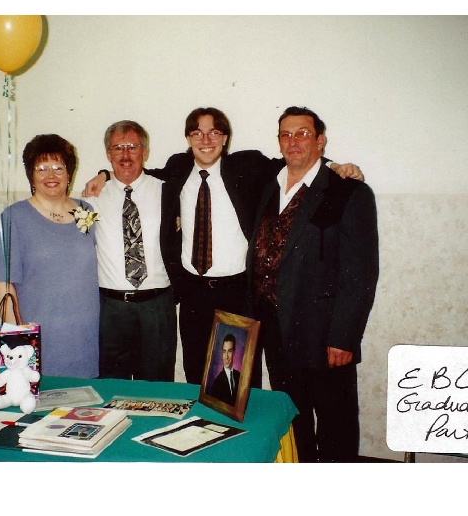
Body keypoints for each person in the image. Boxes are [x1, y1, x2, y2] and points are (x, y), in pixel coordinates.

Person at [84, 108, 364, 385]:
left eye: (214, 133)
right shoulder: (177, 169)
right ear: (188, 139)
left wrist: (333, 166)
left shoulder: (246, 166)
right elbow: (133, 170)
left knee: (236, 382)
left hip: (236, 293)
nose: (206, 140)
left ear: (225, 138)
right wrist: (104, 175)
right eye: (197, 133)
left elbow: (294, 161)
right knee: (197, 376)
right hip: (193, 294)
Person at [249, 107, 379, 463]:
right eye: (286, 134)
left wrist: (344, 338)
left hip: (324, 336)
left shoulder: (347, 191)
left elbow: (361, 273)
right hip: (276, 330)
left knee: (336, 424)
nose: (293, 141)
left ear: (321, 141)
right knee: (294, 419)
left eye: (303, 133)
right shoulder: (268, 185)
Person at [0, 133, 100, 378]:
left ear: (69, 173)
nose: (51, 175)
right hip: (38, 339)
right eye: (42, 168)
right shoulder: (13, 217)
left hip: (85, 337)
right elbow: (3, 283)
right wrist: (16, 338)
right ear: (31, 175)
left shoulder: (85, 211)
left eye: (58, 168)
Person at [81, 121, 177, 382]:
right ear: (108, 154)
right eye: (117, 148)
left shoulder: (166, 191)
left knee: (158, 390)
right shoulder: (90, 199)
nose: (125, 155)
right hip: (112, 310)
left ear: (145, 151)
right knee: (112, 386)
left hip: (157, 308)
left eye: (132, 147)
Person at [208, 332, 241, 404]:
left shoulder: (239, 376)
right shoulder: (217, 382)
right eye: (224, 351)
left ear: (234, 352)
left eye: (229, 351)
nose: (226, 357)